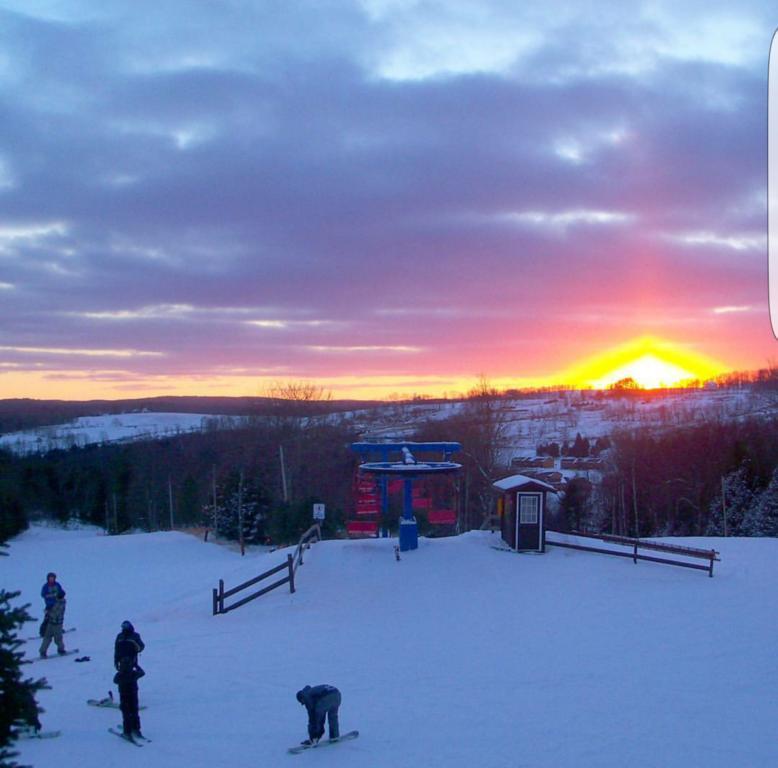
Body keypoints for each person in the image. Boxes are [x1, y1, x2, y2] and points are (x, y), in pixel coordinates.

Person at [113, 656, 145, 740]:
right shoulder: (133, 673)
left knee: (126, 715)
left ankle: (127, 732)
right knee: (135, 713)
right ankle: (136, 729)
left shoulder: (120, 675)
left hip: (124, 697)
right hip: (133, 695)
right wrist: (136, 666)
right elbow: (142, 672)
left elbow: (115, 681)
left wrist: (120, 671)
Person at [39, 572, 66, 658]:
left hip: (55, 620)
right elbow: (43, 594)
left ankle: (46, 651)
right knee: (53, 637)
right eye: (50, 578)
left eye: (52, 578)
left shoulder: (60, 602)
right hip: (53, 618)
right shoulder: (46, 586)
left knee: (52, 637)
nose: (51, 579)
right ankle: (59, 649)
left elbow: (57, 612)